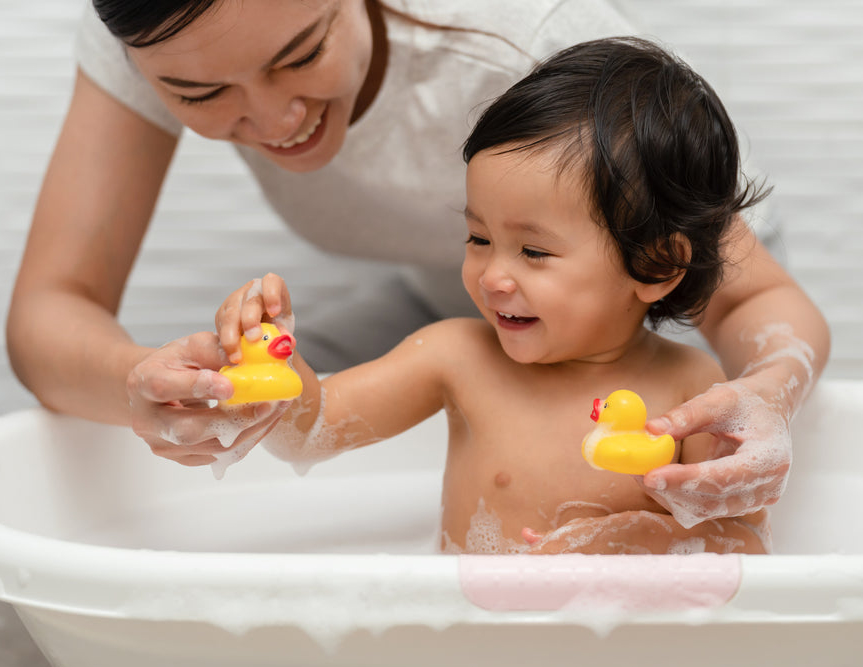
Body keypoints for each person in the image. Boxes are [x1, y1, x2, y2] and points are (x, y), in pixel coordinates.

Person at [6, 0, 829, 530]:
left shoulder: (527, 47)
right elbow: (52, 311)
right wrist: (176, 390)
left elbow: (753, 300)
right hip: (452, 310)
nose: (275, 116)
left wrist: (767, 391)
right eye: (200, 93)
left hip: (685, 295)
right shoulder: (151, 27)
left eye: (300, 54)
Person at [213, 37, 773, 554]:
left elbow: (744, 543)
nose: (493, 277)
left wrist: (640, 537)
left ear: (655, 263)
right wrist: (269, 359)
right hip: (466, 625)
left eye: (534, 251)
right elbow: (311, 431)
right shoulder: (456, 357)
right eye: (479, 239)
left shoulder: (690, 393)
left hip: (613, 630)